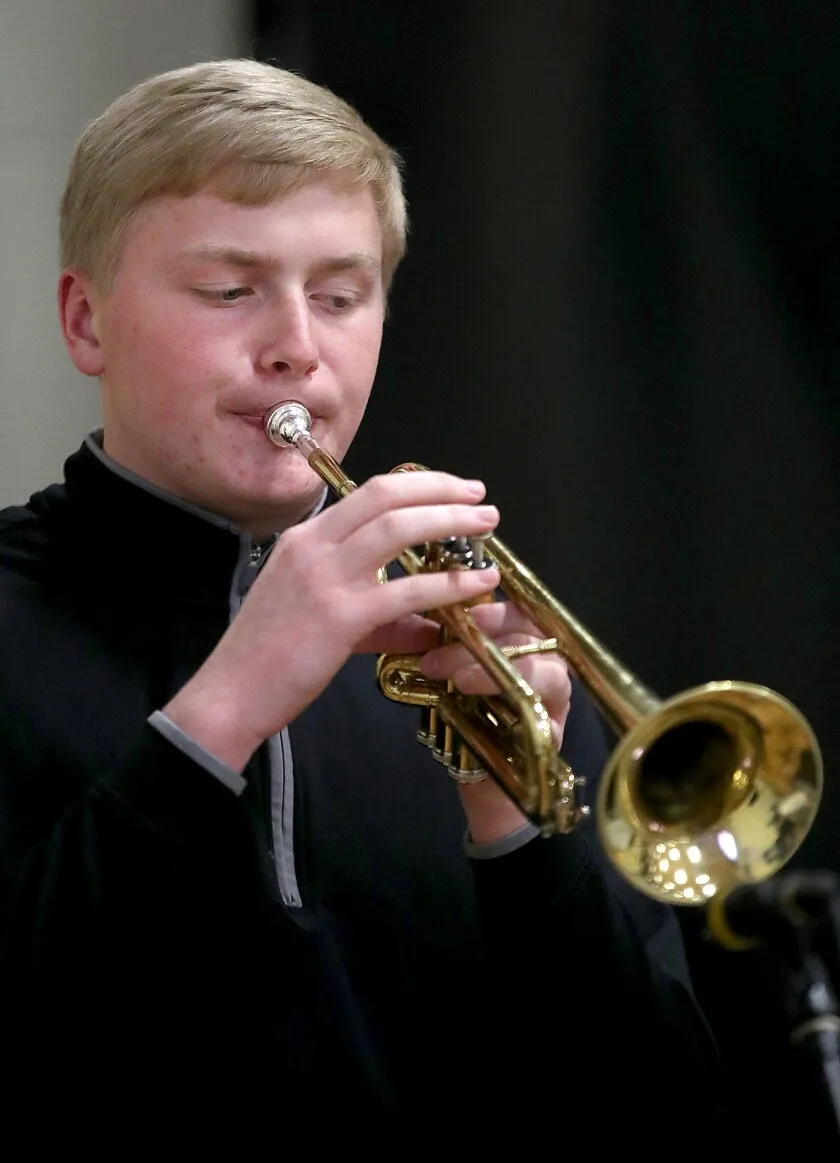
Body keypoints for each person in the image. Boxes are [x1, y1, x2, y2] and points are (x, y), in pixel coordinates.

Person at [0, 58, 726, 1145]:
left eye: (341, 295)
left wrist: (515, 828)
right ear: (86, 320)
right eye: (228, 290)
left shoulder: (447, 649)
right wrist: (226, 706)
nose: (298, 343)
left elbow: (660, 1119)